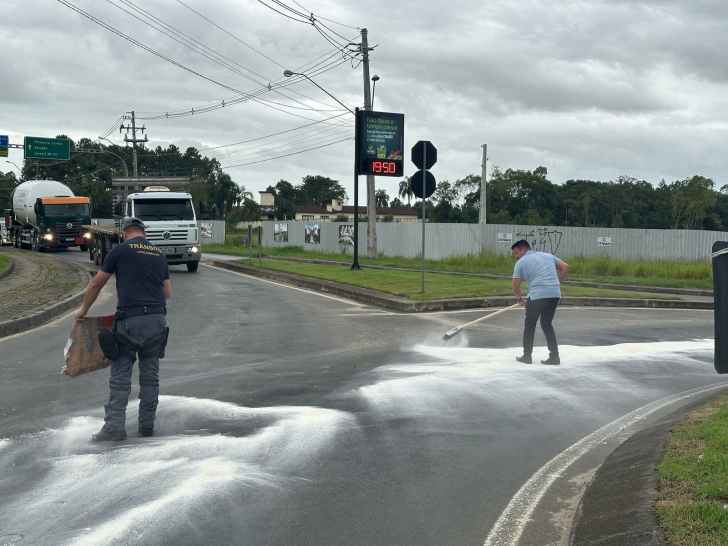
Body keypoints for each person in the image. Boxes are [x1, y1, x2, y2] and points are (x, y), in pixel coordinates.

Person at [75, 217, 171, 441]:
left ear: (125, 233)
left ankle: (115, 428)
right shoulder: (159, 254)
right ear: (144, 234)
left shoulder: (120, 250)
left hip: (130, 321)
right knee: (150, 377)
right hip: (157, 320)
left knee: (120, 377)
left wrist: (83, 310)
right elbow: (166, 292)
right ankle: (146, 426)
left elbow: (97, 283)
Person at [511, 239, 570, 365]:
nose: (515, 256)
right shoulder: (548, 256)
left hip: (537, 295)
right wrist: (557, 284)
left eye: (516, 253)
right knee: (546, 324)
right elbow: (565, 267)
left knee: (530, 326)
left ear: (523, 249)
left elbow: (516, 285)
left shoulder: (521, 262)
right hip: (554, 295)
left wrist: (519, 299)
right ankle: (554, 357)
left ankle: (527, 356)